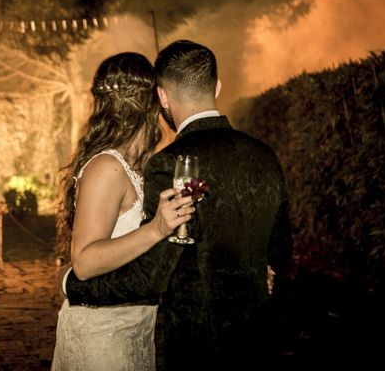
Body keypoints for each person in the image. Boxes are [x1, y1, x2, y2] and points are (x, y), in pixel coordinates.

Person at [64, 40, 293, 367]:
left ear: (162, 96)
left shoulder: (169, 163)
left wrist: (73, 285)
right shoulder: (265, 155)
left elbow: (151, 276)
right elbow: (281, 250)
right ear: (217, 86)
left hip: (198, 343)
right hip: (259, 338)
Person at [51, 52, 195, 370]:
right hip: (102, 338)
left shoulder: (136, 166)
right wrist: (156, 228)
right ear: (152, 102)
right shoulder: (107, 168)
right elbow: (85, 261)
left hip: (134, 328)